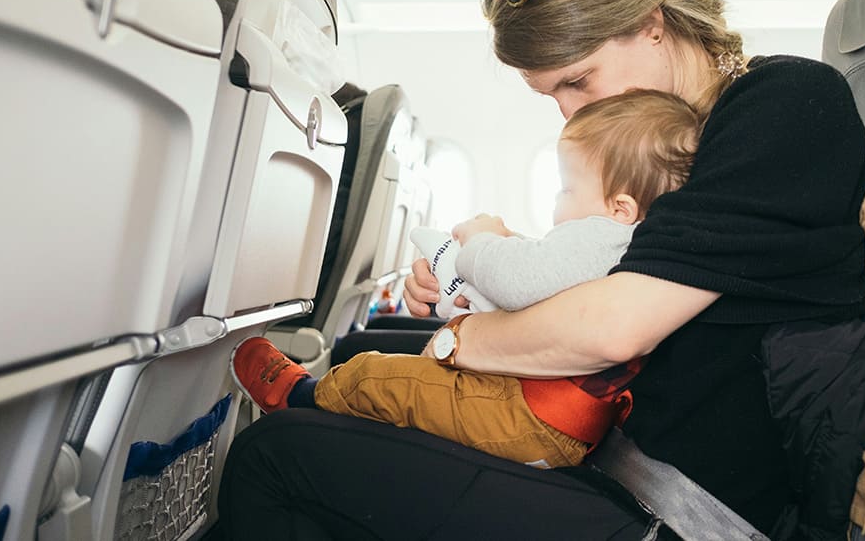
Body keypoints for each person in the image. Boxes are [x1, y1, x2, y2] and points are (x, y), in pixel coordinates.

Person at [218, 0, 865, 540]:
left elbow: (612, 327)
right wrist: (481, 265)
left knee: (272, 459)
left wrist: (463, 339)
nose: (570, 116)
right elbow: (613, 267)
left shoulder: (785, 107)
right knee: (362, 357)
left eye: (579, 80)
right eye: (553, 96)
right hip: (602, 457)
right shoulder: (667, 143)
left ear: (652, 23)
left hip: (675, 510)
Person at [230, 89, 700, 469]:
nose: (558, 202)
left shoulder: (603, 235)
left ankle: (300, 398)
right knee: (411, 383)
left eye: (566, 188)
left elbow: (519, 280)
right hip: (551, 417)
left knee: (377, 375)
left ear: (620, 207)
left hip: (529, 413)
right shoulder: (627, 242)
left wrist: (480, 240)